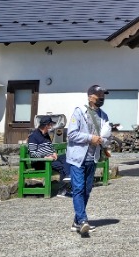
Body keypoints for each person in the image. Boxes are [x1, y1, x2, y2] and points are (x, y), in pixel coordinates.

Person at [66, 84, 112, 238]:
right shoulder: (79, 112)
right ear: (90, 96)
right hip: (78, 157)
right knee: (78, 188)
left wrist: (105, 145)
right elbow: (71, 134)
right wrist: (90, 138)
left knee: (87, 189)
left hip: (92, 157)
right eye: (99, 96)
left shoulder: (103, 115)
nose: (102, 99)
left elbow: (105, 135)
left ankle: (77, 221)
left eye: (103, 97)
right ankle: (83, 220)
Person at [26, 116, 71, 196]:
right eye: (51, 125)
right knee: (62, 166)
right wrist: (45, 157)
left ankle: (68, 176)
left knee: (66, 157)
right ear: (46, 125)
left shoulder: (46, 135)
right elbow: (32, 153)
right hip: (41, 162)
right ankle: (62, 189)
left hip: (51, 159)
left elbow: (51, 147)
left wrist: (53, 152)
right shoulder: (33, 136)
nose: (51, 127)